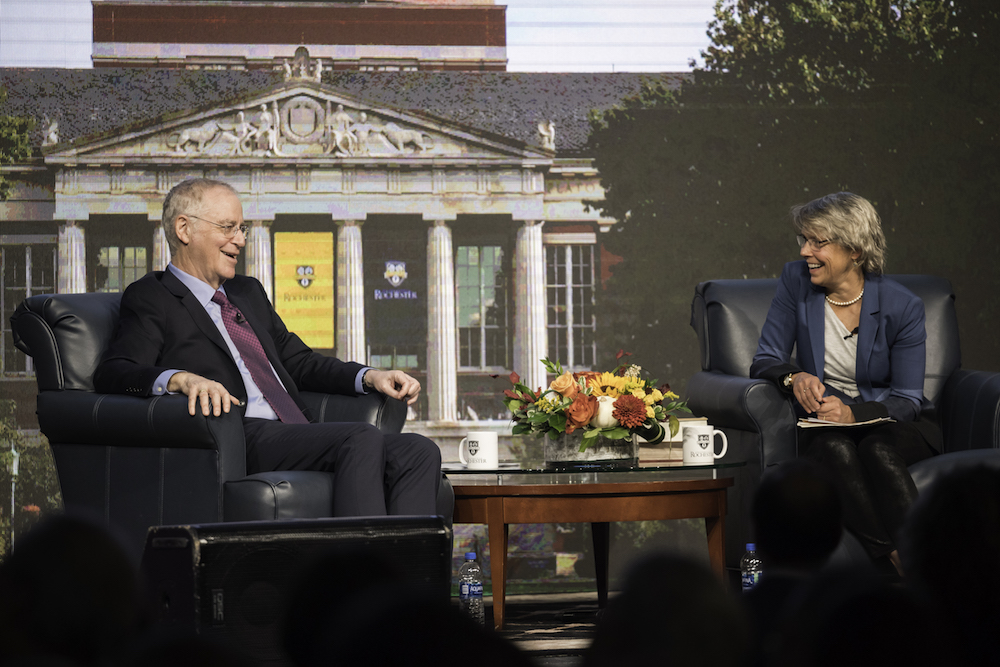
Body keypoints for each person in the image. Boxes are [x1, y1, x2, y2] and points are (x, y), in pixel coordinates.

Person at [94, 177, 442, 518]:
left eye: (242, 229)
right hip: (238, 433)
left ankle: (405, 573)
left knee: (418, 450)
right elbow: (115, 370)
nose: (240, 240)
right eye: (228, 227)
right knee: (361, 438)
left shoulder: (247, 293)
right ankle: (358, 573)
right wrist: (181, 380)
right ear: (184, 230)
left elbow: (299, 361)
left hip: (293, 431)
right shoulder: (153, 295)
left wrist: (370, 377)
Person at [750, 192, 939, 575]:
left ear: (855, 250)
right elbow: (765, 358)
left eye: (818, 242)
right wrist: (794, 375)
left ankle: (919, 558)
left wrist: (854, 414)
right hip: (824, 425)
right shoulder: (795, 282)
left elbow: (906, 399)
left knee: (876, 450)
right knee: (835, 446)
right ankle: (901, 562)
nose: (805, 251)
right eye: (803, 240)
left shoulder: (902, 306)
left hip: (889, 423)